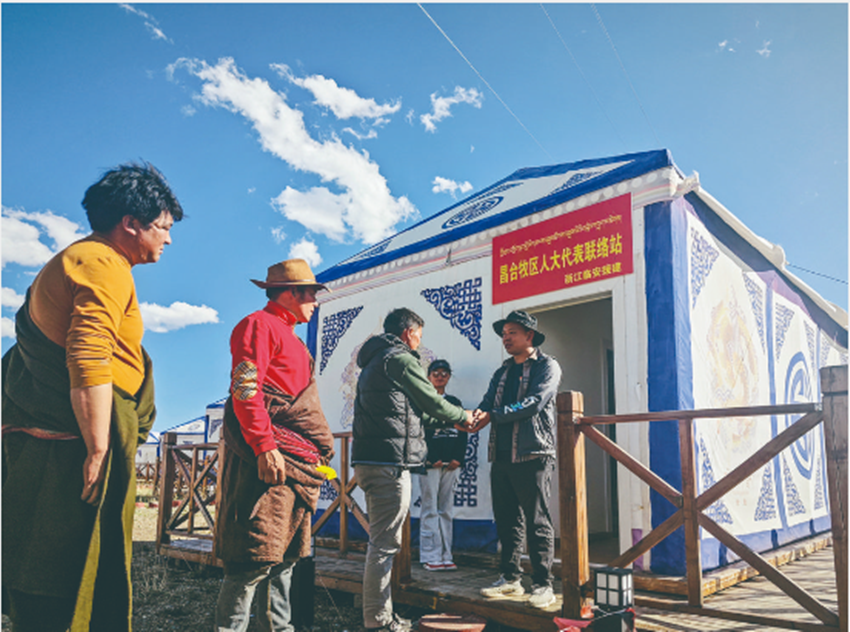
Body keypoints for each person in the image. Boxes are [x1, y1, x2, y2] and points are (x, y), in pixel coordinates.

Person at [2, 162, 183, 631]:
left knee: (53, 567)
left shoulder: (86, 260)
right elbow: (89, 353)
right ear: (131, 223)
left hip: (66, 440)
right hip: (70, 446)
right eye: (163, 227)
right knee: (61, 572)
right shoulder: (102, 263)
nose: (168, 239)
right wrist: (99, 446)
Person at [214, 259, 335, 632]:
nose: (315, 301)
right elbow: (246, 388)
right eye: (311, 293)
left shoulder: (295, 340)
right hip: (267, 459)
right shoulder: (258, 325)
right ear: (292, 292)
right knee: (251, 560)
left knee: (284, 558)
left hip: (293, 459)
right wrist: (264, 445)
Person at [352, 308, 473, 632]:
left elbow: (415, 415)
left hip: (370, 461)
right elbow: (432, 401)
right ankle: (378, 621)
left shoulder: (375, 362)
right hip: (388, 463)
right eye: (419, 335)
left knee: (381, 543)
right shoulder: (401, 359)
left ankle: (381, 616)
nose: (419, 342)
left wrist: (455, 422)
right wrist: (463, 416)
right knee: (384, 546)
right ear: (408, 333)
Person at [469, 310, 562, 609]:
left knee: (537, 521)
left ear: (529, 335)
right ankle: (510, 579)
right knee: (507, 519)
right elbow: (487, 403)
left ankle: (543, 584)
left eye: (512, 333)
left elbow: (534, 403)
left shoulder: (547, 366)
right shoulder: (502, 372)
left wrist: (492, 415)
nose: (505, 338)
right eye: (503, 334)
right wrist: (474, 417)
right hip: (501, 454)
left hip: (534, 453)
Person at [417, 359, 467, 572]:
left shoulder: (454, 401)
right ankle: (430, 555)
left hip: (451, 465)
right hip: (430, 464)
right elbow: (418, 432)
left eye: (444, 373)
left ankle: (446, 555)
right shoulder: (422, 400)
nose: (440, 376)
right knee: (429, 508)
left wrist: (458, 458)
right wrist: (430, 458)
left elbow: (463, 430)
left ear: (449, 377)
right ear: (428, 376)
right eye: (435, 373)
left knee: (446, 509)